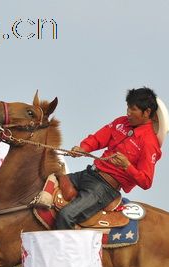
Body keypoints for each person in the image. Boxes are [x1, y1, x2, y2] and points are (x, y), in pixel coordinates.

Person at [55, 87, 162, 230]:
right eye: (128, 108)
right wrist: (83, 148)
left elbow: (146, 181)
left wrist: (127, 166)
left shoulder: (149, 143)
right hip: (89, 174)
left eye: (133, 109)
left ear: (147, 112)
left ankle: (67, 252)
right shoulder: (121, 122)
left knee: (66, 215)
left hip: (104, 188)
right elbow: (99, 138)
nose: (128, 113)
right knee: (50, 183)